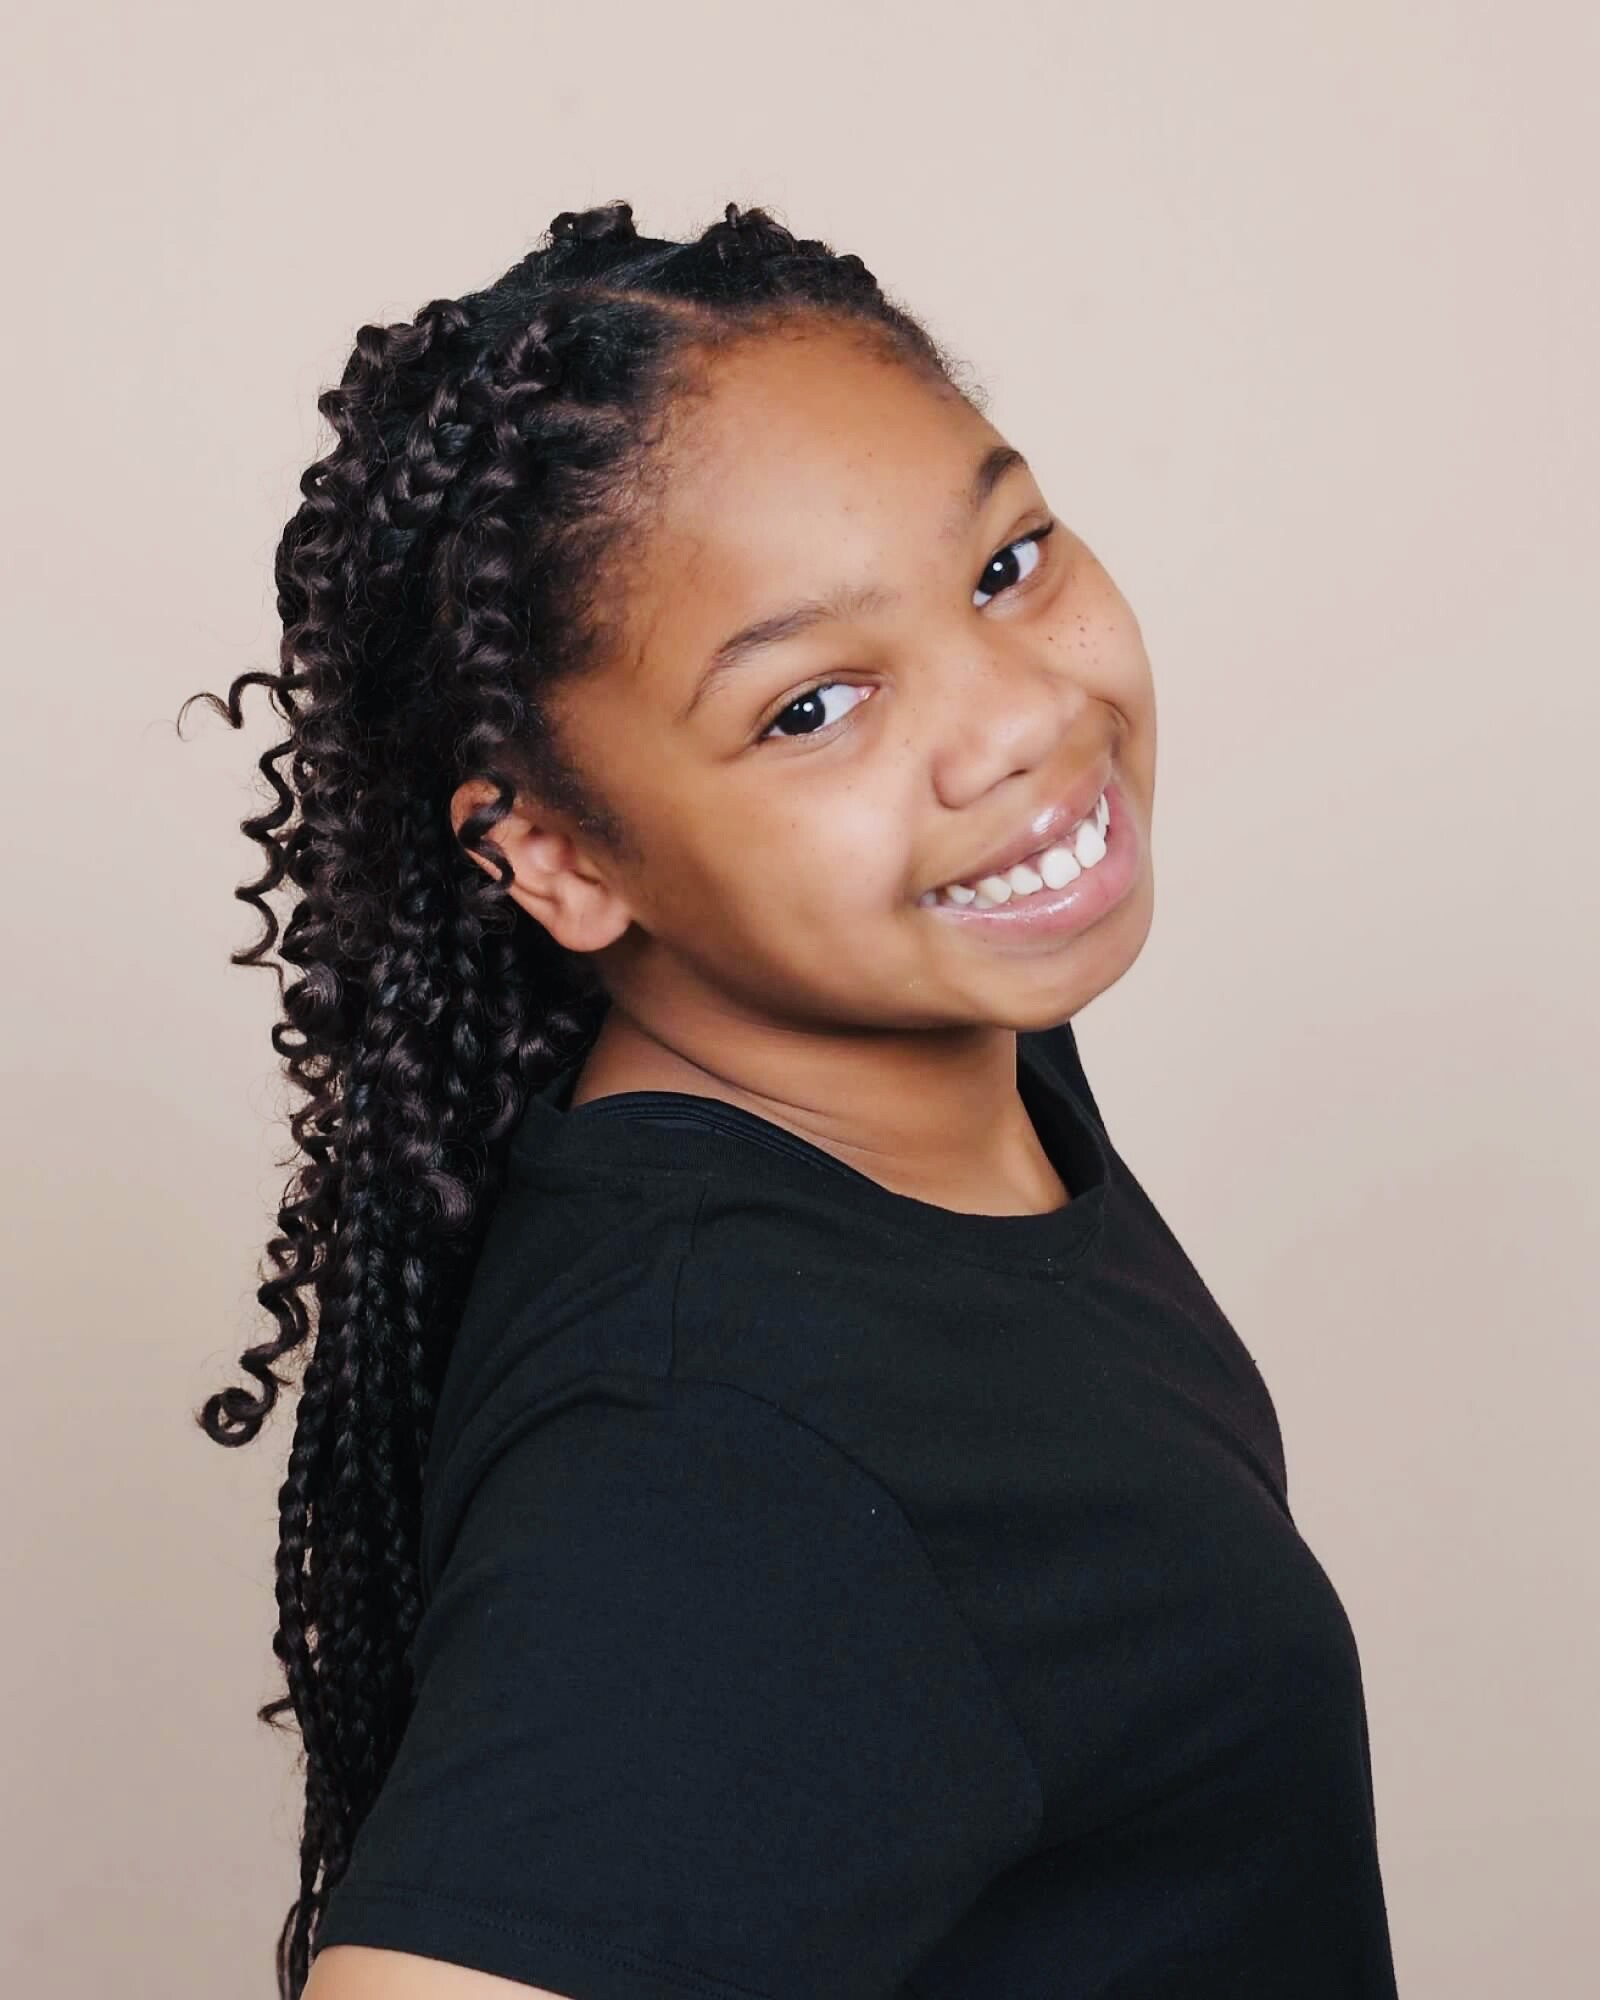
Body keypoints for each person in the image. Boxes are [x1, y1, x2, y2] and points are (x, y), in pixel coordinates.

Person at [187, 198, 1399, 2000]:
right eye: (813, 707)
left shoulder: (932, 1055)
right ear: (557, 853)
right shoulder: (717, 1442)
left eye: (1005, 564)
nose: (1016, 720)